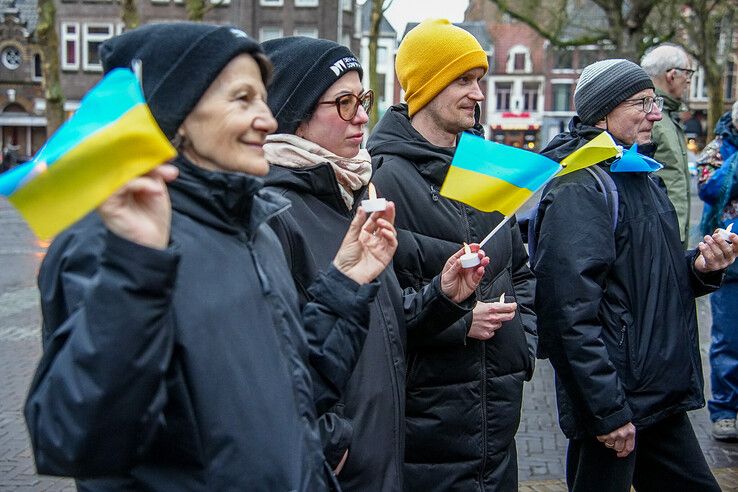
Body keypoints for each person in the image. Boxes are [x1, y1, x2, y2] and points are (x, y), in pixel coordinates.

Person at [24, 23, 400, 490]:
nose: (266, 118)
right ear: (177, 112)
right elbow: (76, 438)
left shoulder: (251, 229)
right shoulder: (106, 244)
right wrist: (134, 269)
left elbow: (291, 389)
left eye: (262, 99)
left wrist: (346, 284)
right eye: (242, 99)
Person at [260, 36, 485, 491]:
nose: (362, 115)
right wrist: (328, 440)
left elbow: (382, 322)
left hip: (382, 456)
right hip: (341, 468)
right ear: (295, 115)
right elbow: (267, 363)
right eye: (343, 103)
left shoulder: (355, 194)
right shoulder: (274, 214)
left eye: (362, 99)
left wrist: (440, 297)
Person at [533, 59, 738, 491]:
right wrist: (605, 412)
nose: (656, 114)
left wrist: (700, 267)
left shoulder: (640, 174)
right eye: (642, 102)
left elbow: (648, 277)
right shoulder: (579, 186)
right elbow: (567, 314)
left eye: (655, 101)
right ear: (603, 110)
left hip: (656, 396)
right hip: (617, 402)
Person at [367, 19, 538, 491]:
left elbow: (519, 269)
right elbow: (374, 315)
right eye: (463, 80)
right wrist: (461, 324)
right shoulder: (380, 180)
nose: (478, 93)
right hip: (426, 435)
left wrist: (524, 340)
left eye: (479, 80)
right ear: (424, 86)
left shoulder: (486, 167)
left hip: (498, 432)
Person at [696, 101, 738, 441]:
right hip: (730, 259)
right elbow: (708, 189)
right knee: (727, 337)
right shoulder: (718, 149)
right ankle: (724, 410)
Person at [641, 44, 693, 246]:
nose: (689, 80)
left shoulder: (668, 118)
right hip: (662, 238)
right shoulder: (653, 119)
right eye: (687, 73)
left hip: (671, 234)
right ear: (672, 75)